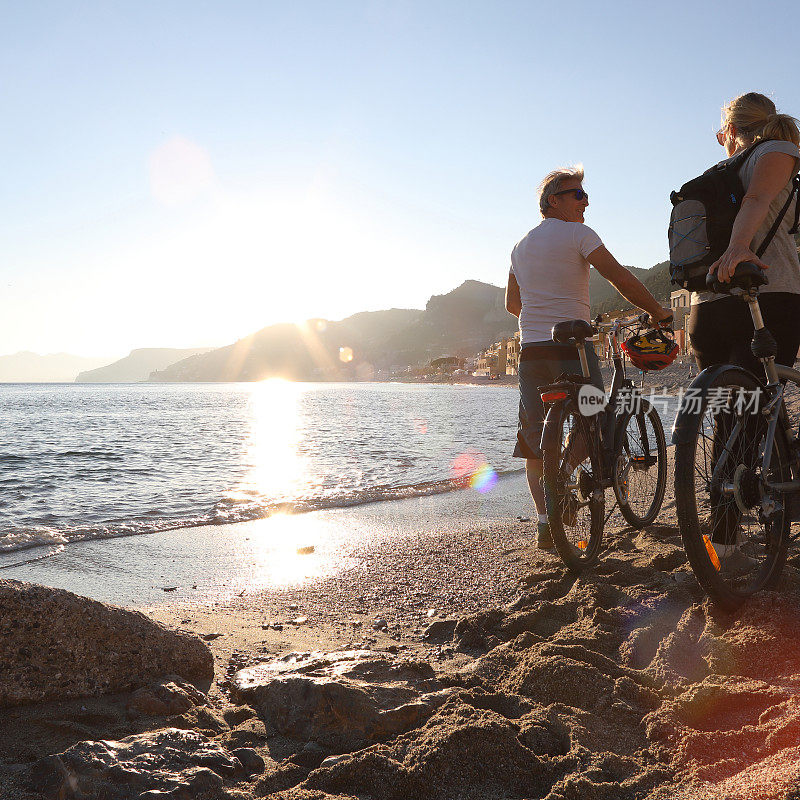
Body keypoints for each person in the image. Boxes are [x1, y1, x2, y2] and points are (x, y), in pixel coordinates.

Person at [506, 165, 671, 550]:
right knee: (596, 417)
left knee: (534, 438)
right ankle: (563, 472)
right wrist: (659, 311)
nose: (586, 202)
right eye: (578, 195)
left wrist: (541, 318)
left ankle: (546, 523)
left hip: (531, 351)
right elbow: (619, 277)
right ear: (554, 200)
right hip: (573, 350)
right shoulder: (579, 233)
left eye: (586, 195)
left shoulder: (519, 246)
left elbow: (513, 304)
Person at [688, 92, 800, 372]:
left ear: (731, 131)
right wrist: (738, 247)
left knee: (724, 408)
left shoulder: (709, 175)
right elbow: (756, 199)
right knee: (759, 406)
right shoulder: (776, 150)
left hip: (706, 305)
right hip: (767, 294)